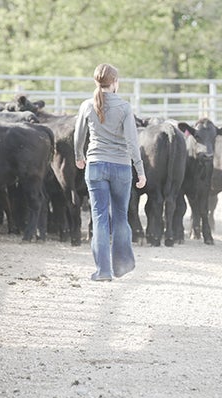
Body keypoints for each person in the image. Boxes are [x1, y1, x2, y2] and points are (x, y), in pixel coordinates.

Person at [74, 63, 146, 282]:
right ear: (115, 82)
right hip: (121, 167)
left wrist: (79, 156)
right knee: (121, 217)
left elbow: (78, 136)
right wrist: (140, 170)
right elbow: (133, 143)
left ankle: (103, 271)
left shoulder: (87, 105)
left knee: (99, 219)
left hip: (95, 165)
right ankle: (122, 265)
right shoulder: (124, 107)